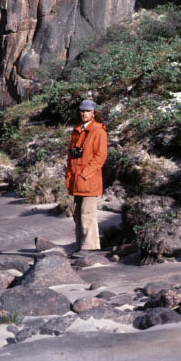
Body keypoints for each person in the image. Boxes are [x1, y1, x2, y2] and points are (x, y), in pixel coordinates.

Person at [65, 99, 107, 252]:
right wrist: (70, 176)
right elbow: (71, 156)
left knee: (87, 216)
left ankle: (90, 249)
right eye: (82, 111)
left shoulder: (98, 131)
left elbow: (100, 156)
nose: (84, 113)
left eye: (87, 111)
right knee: (77, 216)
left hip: (88, 181)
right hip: (76, 181)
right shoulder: (77, 130)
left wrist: (84, 174)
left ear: (93, 113)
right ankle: (80, 247)